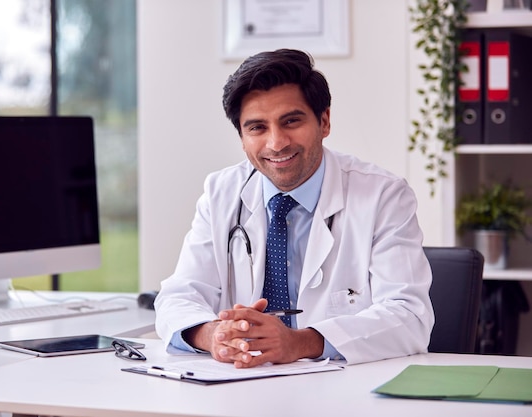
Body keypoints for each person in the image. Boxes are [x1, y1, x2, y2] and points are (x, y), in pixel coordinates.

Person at [154, 49, 434, 368]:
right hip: (242, 386)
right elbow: (178, 295)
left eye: (291, 121)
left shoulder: (383, 195)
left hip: (345, 391)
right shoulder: (221, 192)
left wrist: (299, 342)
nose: (277, 143)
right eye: (257, 128)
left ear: (324, 121)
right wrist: (215, 336)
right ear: (242, 138)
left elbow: (409, 316)